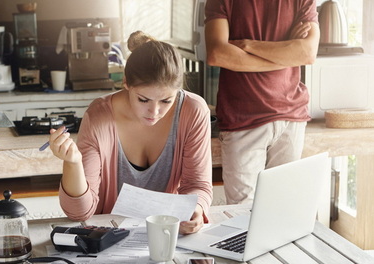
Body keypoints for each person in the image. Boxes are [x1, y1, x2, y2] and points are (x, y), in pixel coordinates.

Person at [49, 31, 213, 234]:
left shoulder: (193, 111)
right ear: (126, 83)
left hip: (167, 234)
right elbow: (79, 213)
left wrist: (196, 209)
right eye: (143, 100)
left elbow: (197, 185)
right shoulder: (99, 117)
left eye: (166, 101)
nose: (154, 112)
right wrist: (72, 163)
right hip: (108, 238)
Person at [204, 0, 320, 205]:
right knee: (243, 214)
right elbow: (217, 54)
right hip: (242, 119)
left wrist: (248, 46)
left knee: (284, 207)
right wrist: (284, 53)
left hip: (290, 117)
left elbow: (307, 53)